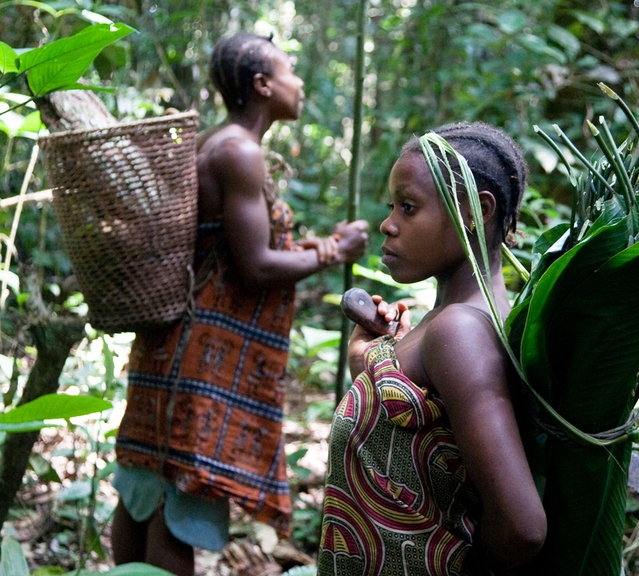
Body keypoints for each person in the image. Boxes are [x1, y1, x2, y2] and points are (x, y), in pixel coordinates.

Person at [110, 33, 369, 576]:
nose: (299, 83)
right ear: (262, 85)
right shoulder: (239, 150)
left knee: (148, 489)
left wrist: (320, 246)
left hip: (174, 347)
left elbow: (230, 252)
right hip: (200, 355)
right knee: (178, 499)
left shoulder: (218, 142)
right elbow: (255, 265)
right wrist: (334, 253)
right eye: (290, 70)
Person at [318, 122, 546, 575]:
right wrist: (371, 364)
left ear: (475, 211)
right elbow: (408, 451)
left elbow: (522, 527)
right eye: (392, 206)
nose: (388, 224)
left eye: (409, 207)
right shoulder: (451, 322)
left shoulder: (459, 331)